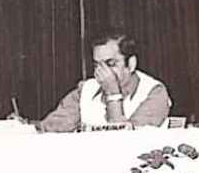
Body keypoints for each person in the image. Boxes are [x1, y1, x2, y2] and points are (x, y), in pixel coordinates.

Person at [35, 32, 171, 132]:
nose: (102, 73)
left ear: (131, 64)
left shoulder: (154, 92)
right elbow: (49, 128)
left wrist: (113, 95)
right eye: (97, 65)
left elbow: (127, 143)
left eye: (110, 64)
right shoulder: (86, 89)